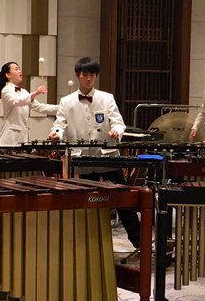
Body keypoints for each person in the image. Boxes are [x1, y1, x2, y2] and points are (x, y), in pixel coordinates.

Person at [49, 57, 142, 248]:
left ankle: (140, 243)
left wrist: (116, 131)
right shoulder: (66, 102)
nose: (89, 78)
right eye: (85, 74)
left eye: (92, 75)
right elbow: (60, 124)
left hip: (107, 157)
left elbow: (118, 122)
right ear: (78, 75)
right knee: (83, 204)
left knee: (124, 202)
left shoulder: (106, 98)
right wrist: (56, 133)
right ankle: (82, 246)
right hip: (81, 158)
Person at [0, 61, 57, 145]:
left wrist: (62, 107)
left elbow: (40, 107)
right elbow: (16, 101)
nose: (20, 71)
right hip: (10, 136)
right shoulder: (6, 90)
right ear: (8, 75)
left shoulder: (24, 92)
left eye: (19, 69)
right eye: (16, 69)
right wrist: (36, 93)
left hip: (23, 137)